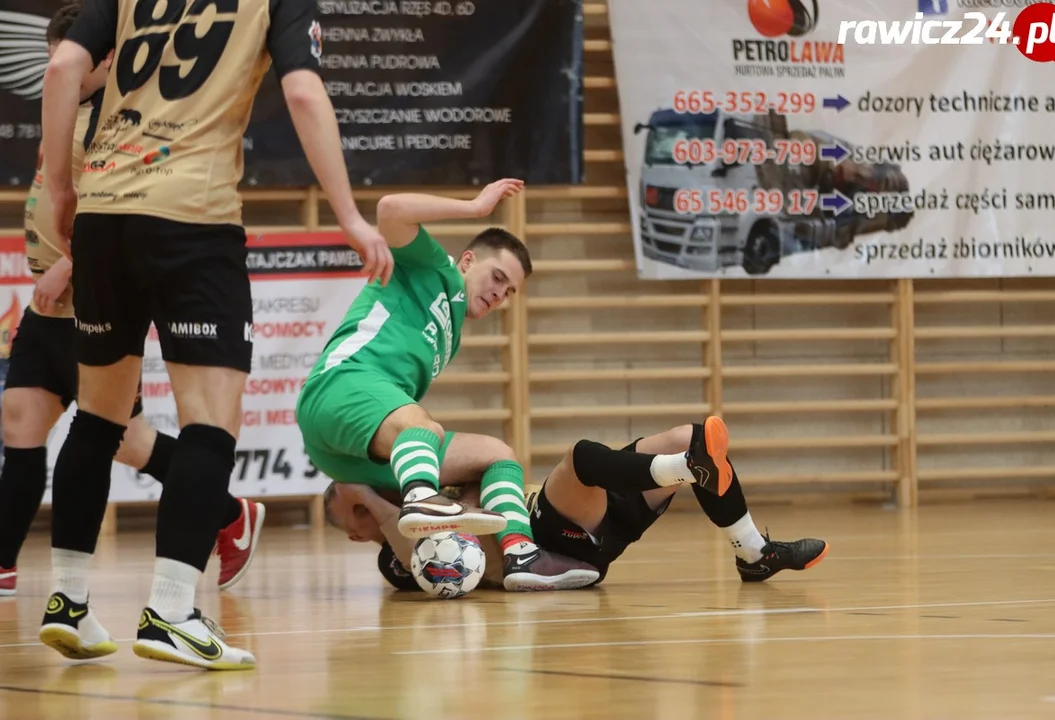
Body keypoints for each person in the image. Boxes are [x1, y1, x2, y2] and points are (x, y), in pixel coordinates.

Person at [39, 0, 389, 670]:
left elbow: (62, 67)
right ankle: (172, 612)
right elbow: (302, 90)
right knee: (209, 424)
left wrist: (61, 187)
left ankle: (69, 602)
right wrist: (348, 214)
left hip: (105, 214)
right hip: (191, 219)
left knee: (99, 417)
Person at [297, 183, 707, 591]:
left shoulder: (452, 333)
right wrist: (474, 206)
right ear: (468, 260)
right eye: (496, 277)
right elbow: (390, 208)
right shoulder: (432, 267)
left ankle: (520, 553)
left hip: (352, 452)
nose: (500, 293)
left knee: (498, 455)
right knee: (423, 427)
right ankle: (424, 498)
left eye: (509, 290)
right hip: (337, 386)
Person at [0, 3, 264, 601]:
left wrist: (70, 262)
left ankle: (225, 516)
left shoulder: (123, 119)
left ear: (110, 57)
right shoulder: (63, 113)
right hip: (49, 308)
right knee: (21, 422)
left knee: (122, 438)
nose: (63, 69)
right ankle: (13, 568)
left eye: (73, 60)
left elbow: (111, 203)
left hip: (90, 284)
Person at [324, 418, 828, 590]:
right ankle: (684, 467)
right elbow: (474, 568)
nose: (371, 503)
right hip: (550, 545)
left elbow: (492, 466)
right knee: (582, 457)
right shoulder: (394, 560)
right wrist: (365, 493)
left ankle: (754, 554)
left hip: (583, 521)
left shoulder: (429, 496)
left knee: (689, 435)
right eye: (357, 511)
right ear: (354, 532)